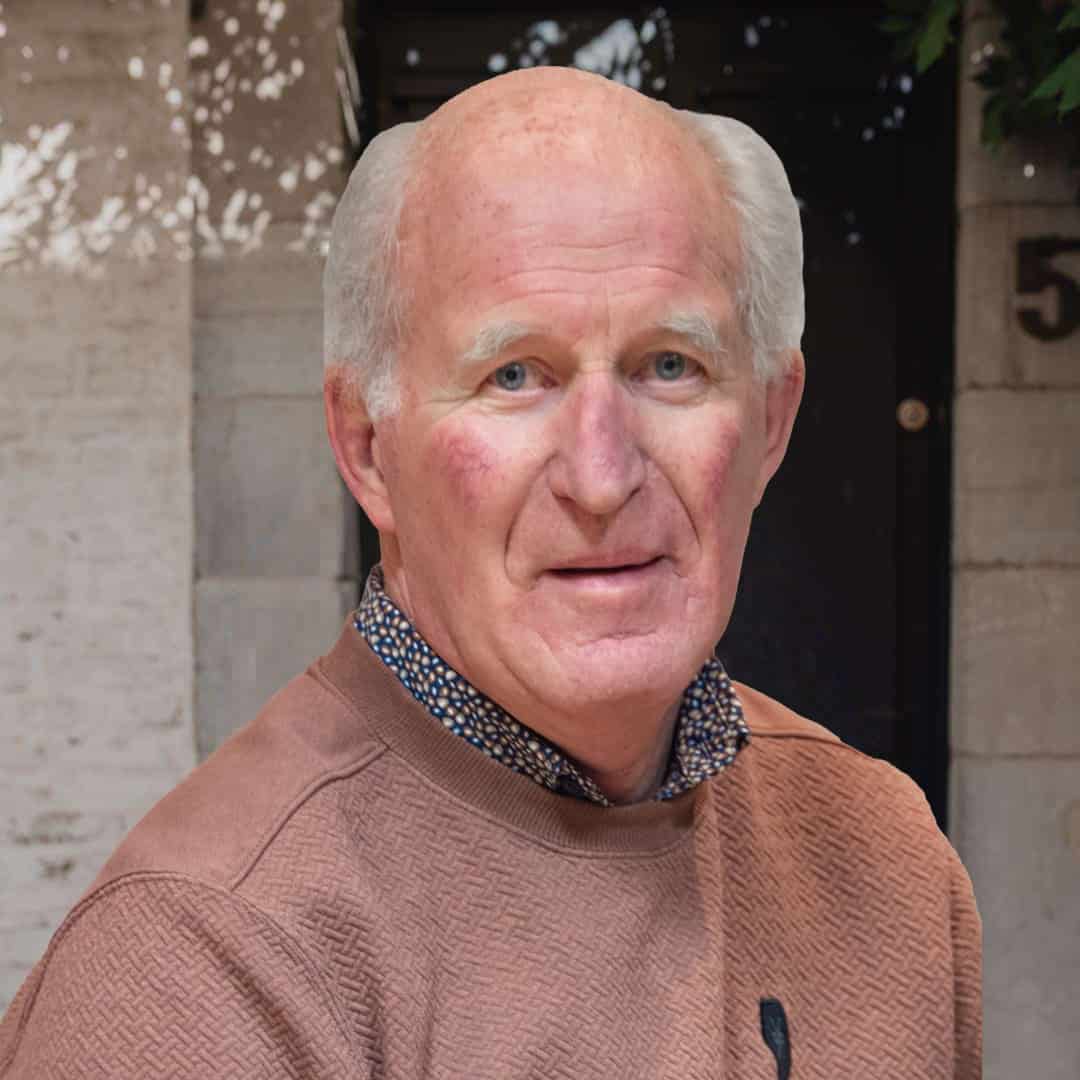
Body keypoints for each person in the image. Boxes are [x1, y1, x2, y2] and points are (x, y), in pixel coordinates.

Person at [0, 66, 981, 1079]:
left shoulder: (888, 860)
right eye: (514, 376)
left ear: (771, 423)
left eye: (669, 366)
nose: (601, 476)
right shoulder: (201, 961)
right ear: (368, 448)